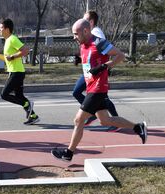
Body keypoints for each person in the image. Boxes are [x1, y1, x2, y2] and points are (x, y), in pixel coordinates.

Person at [51, 19, 147, 162]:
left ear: (85, 31)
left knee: (78, 120)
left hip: (98, 87)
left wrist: (103, 67)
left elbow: (120, 55)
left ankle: (68, 153)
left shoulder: (99, 43)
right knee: (105, 120)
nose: (74, 37)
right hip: (91, 86)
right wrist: (79, 59)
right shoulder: (83, 44)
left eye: (75, 34)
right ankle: (138, 127)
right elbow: (91, 59)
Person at [72, 10, 119, 131]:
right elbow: (90, 53)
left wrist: (104, 67)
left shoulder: (96, 32)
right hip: (90, 72)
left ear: (91, 22)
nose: (82, 21)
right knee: (80, 93)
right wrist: (80, 58)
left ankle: (113, 120)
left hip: (97, 72)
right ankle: (94, 112)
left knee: (101, 98)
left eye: (85, 19)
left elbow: (102, 51)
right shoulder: (87, 34)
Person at [0, 18, 39, 125]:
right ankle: (33, 116)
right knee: (19, 97)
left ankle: (28, 105)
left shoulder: (12, 39)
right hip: (17, 72)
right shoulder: (8, 41)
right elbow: (7, 58)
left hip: (16, 73)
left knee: (4, 94)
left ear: (7, 29)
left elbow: (25, 50)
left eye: (0, 28)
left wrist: (13, 56)